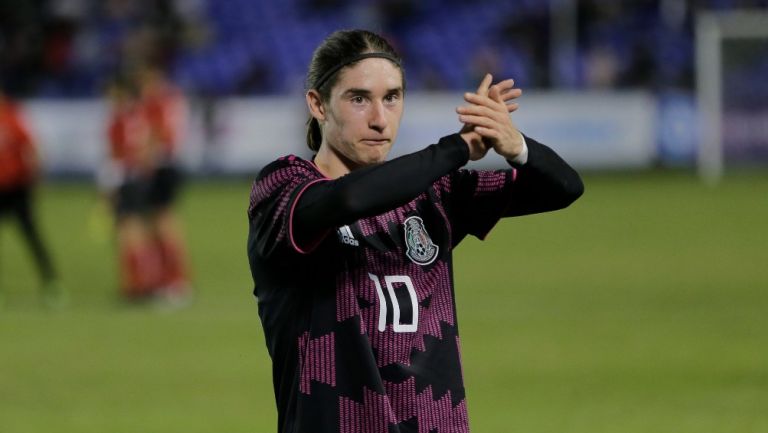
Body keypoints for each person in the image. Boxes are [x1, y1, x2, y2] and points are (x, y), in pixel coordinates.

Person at [246, 29, 583, 433]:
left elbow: (564, 188)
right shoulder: (283, 188)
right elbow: (348, 200)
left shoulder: (433, 193)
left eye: (392, 97)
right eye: (359, 98)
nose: (379, 118)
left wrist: (517, 146)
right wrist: (457, 149)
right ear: (318, 104)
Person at [101, 71, 190, 305]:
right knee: (153, 225)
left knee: (142, 227)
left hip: (142, 174)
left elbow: (147, 144)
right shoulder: (154, 105)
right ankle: (163, 281)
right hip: (153, 171)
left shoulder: (136, 113)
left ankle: (151, 284)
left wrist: (125, 177)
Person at [0, 89, 62, 307]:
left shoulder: (11, 115)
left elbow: (31, 146)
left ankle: (51, 283)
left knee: (31, 236)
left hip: (17, 187)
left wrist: (36, 177)